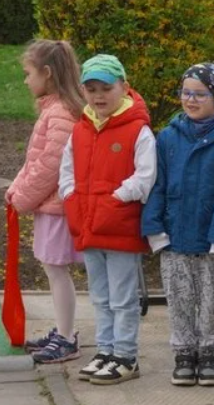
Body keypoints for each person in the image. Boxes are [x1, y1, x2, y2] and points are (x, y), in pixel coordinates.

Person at [142, 63, 214, 387]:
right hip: (174, 235)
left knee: (211, 298)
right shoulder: (169, 136)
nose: (191, 99)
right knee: (179, 298)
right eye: (186, 92)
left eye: (199, 94)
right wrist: (155, 229)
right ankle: (184, 353)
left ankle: (208, 353)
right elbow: (157, 184)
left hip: (211, 238)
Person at [59, 54, 156, 385]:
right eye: (91, 89)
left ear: (124, 88)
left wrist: (115, 199)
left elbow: (145, 177)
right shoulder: (80, 130)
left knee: (122, 296)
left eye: (106, 88)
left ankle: (125, 355)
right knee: (99, 294)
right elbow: (67, 172)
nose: (99, 96)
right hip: (88, 225)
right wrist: (72, 199)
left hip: (119, 226)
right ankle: (105, 349)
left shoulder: (137, 130)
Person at [7, 40, 85, 363]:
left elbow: (50, 167)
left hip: (56, 208)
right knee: (52, 269)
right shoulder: (54, 110)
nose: (25, 81)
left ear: (48, 74)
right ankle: (62, 330)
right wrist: (17, 187)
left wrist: (21, 196)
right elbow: (35, 162)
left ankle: (67, 337)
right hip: (49, 206)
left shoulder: (60, 114)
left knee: (56, 270)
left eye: (28, 73)